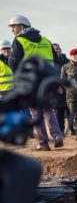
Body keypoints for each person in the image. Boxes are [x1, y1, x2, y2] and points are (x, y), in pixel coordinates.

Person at [8, 14, 62, 150]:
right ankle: (57, 135)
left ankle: (43, 143)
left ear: (22, 27)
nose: (12, 30)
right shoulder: (46, 40)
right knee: (48, 109)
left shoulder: (19, 40)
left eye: (13, 27)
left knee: (36, 113)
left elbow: (13, 63)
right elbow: (56, 61)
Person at [52, 43, 70, 134]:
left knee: (70, 109)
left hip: (68, 89)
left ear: (61, 49)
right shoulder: (51, 62)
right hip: (56, 90)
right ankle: (61, 129)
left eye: (57, 48)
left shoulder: (67, 61)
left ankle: (73, 130)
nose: (56, 50)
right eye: (54, 49)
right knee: (59, 111)